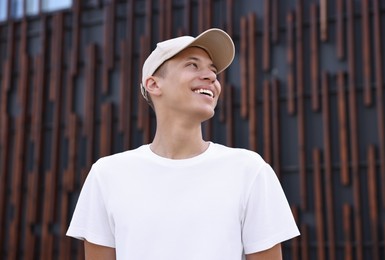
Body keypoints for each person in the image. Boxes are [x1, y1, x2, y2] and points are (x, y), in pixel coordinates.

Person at [66, 28, 300, 260]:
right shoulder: (107, 174)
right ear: (154, 84)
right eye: (192, 65)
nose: (211, 77)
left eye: (213, 71)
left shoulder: (249, 170)